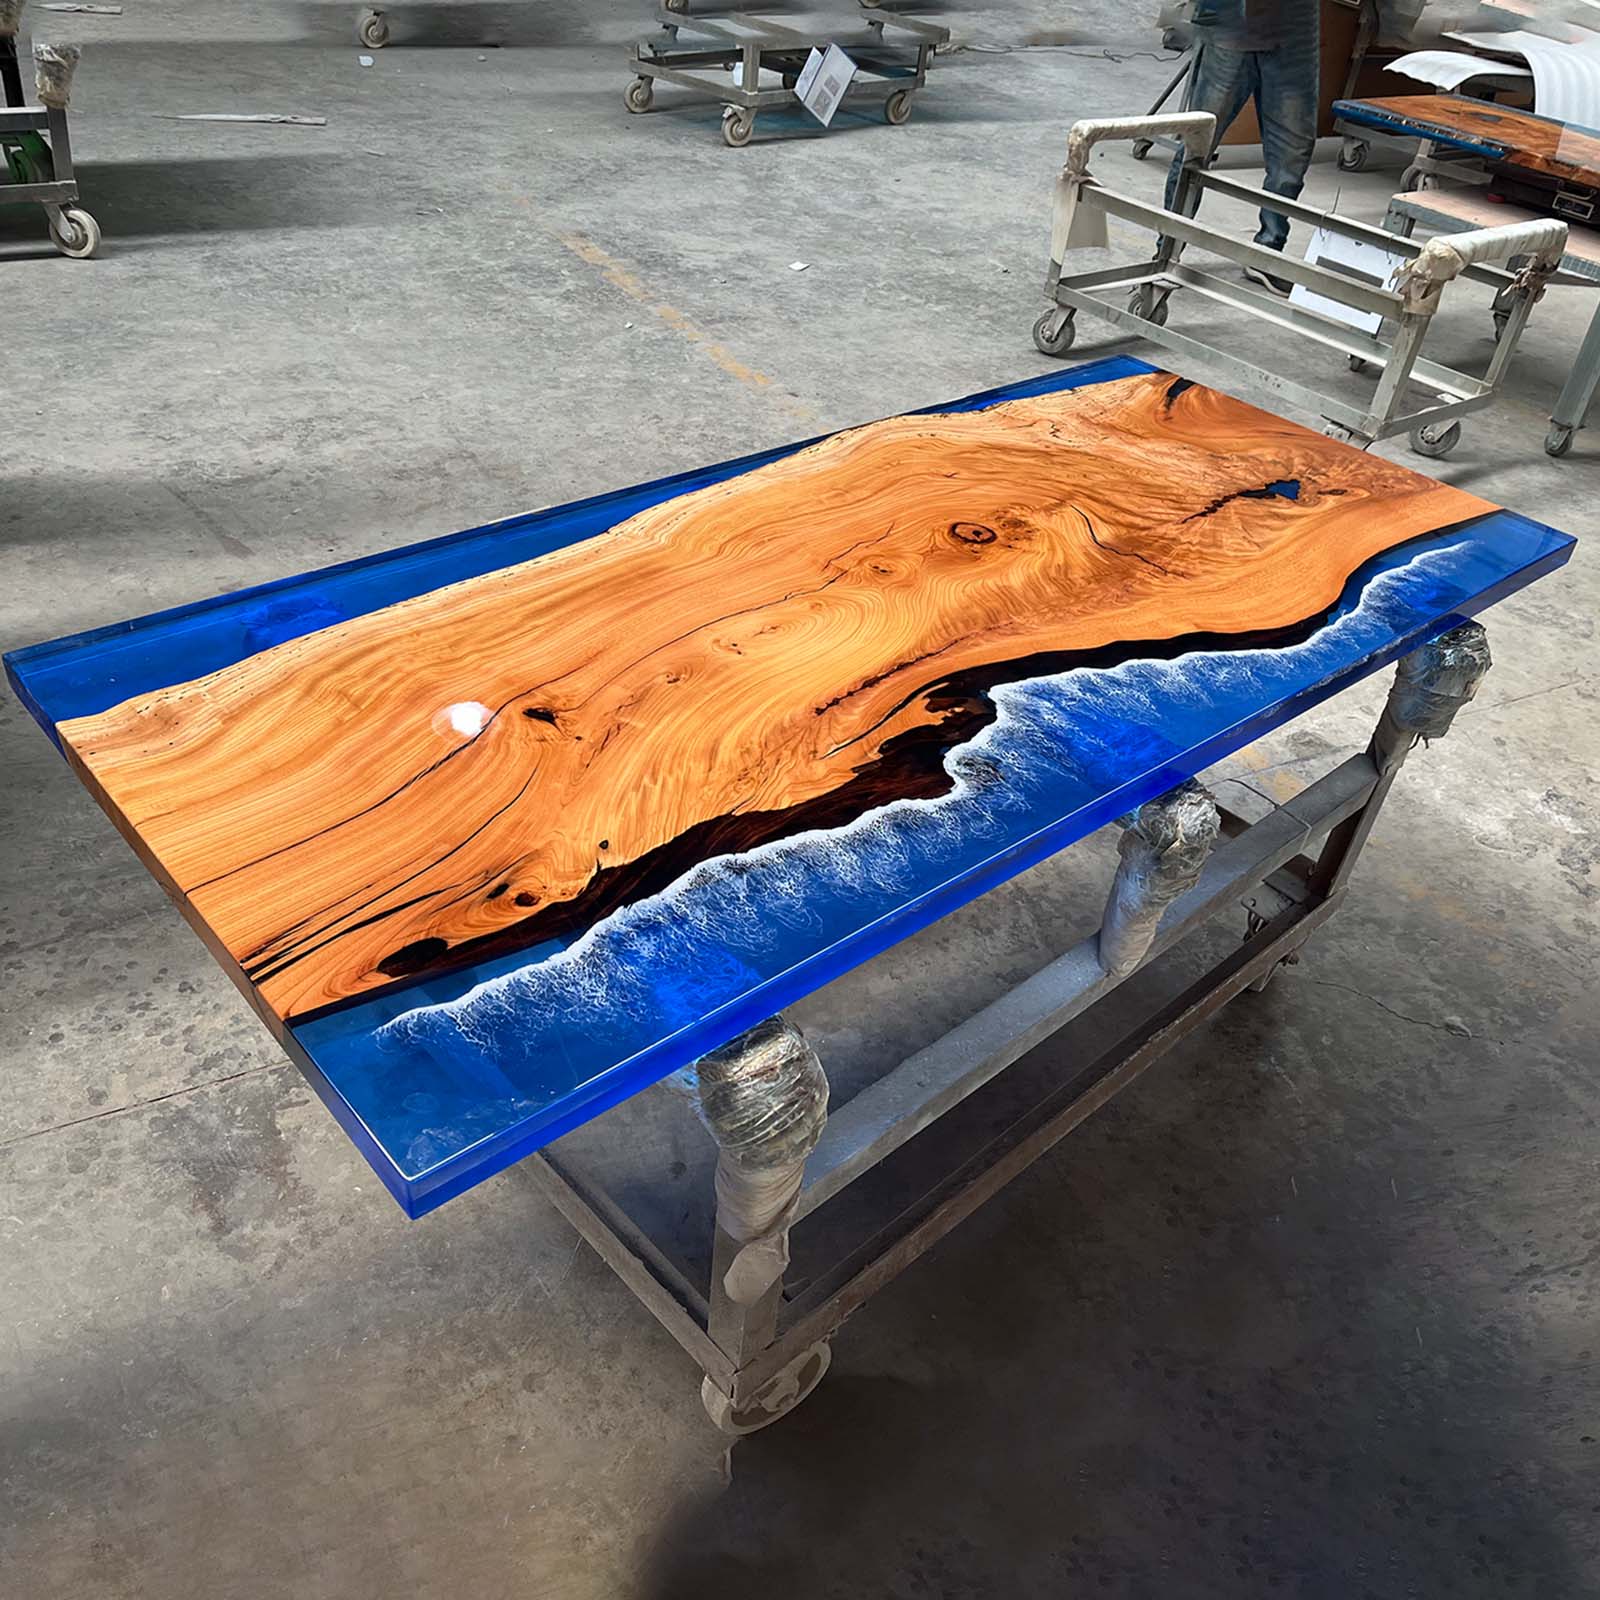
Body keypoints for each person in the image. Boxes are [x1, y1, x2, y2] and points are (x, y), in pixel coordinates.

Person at [1165, 0, 1320, 296]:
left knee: (1292, 152)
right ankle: (1168, 249)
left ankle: (1268, 251)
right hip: (1230, 21)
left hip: (1295, 25)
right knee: (1197, 143)